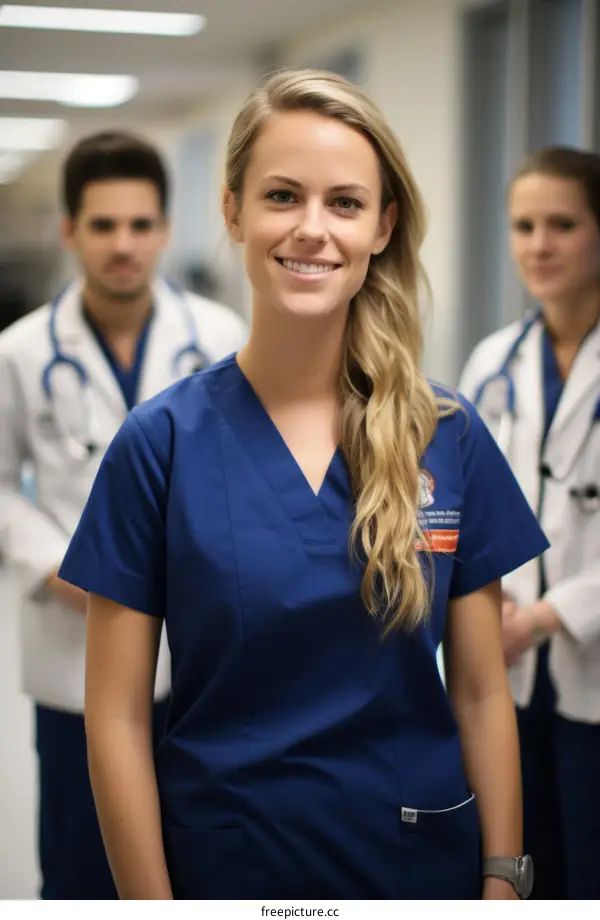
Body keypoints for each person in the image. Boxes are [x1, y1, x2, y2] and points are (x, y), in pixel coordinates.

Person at [58, 70, 548, 900]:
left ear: (384, 226)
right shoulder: (160, 444)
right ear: (233, 211)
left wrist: (504, 881)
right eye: (282, 195)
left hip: (414, 863)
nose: (312, 230)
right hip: (228, 863)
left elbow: (477, 688)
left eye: (346, 203)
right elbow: (117, 716)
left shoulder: (448, 435)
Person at [0, 130, 247, 900]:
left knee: (197, 859)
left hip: (203, 650)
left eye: (141, 225)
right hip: (72, 650)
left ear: (166, 231)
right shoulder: (21, 351)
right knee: (81, 869)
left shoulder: (223, 340)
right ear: (71, 230)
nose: (124, 245)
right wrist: (59, 567)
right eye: (103, 226)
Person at [459, 146, 600, 900]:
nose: (539, 245)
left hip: (587, 662)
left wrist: (550, 613)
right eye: (524, 225)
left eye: (563, 224)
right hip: (507, 670)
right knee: (523, 866)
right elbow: (466, 501)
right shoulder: (492, 363)